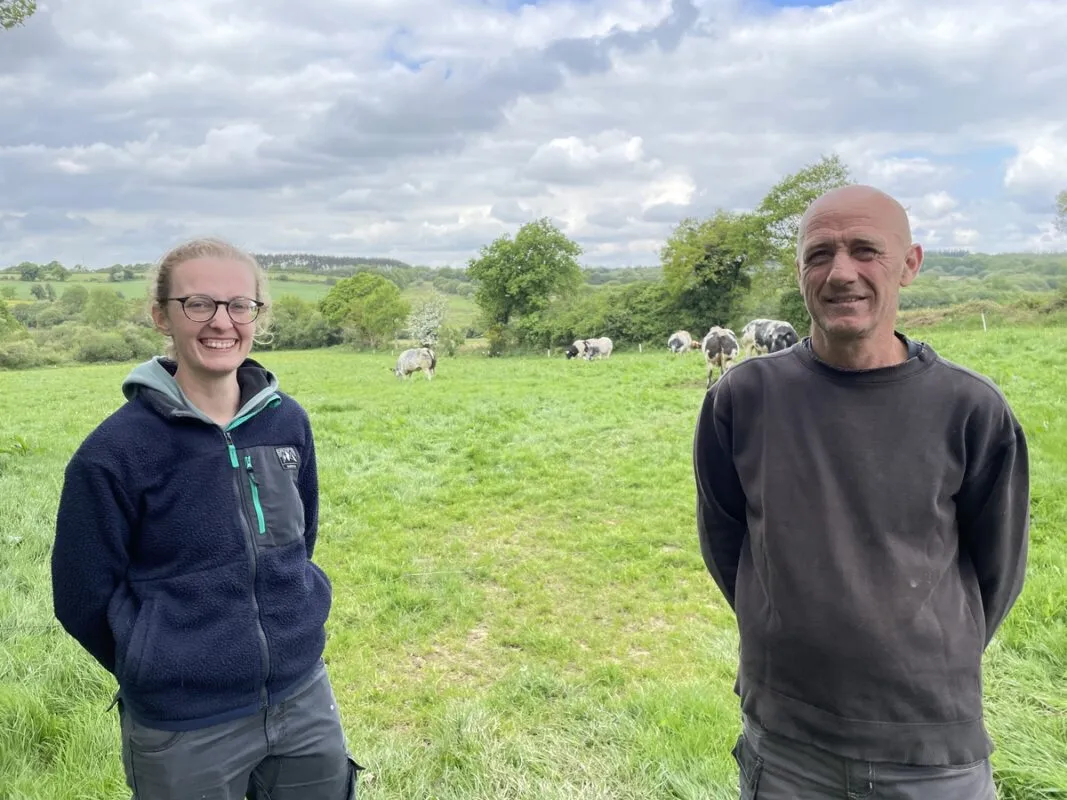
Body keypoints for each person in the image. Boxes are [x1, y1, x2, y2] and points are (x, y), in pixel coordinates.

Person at [693, 185, 1030, 799]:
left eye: (865, 250)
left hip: (930, 749)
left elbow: (998, 570)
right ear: (799, 272)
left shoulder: (971, 409)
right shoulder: (742, 399)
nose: (841, 273)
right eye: (819, 254)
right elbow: (726, 539)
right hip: (786, 741)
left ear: (910, 263)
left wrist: (917, 653)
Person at [51, 238, 362, 798]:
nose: (222, 322)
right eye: (199, 304)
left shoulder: (287, 422)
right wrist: (160, 661)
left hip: (303, 693)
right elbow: (80, 598)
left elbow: (299, 542)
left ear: (256, 316)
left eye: (239, 305)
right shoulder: (115, 453)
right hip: (184, 725)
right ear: (161, 316)